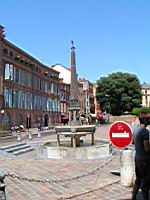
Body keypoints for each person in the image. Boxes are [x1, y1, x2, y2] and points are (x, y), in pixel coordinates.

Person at [131, 114, 150, 200]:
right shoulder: (145, 131)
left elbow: (133, 142)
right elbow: (147, 149)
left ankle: (133, 198)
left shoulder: (136, 129)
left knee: (138, 179)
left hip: (137, 158)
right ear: (145, 121)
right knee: (145, 182)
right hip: (144, 160)